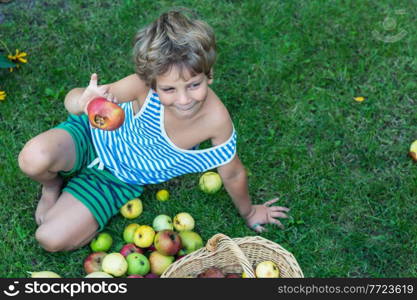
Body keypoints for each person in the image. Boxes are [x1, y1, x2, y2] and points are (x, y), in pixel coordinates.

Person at [18, 8, 290, 252]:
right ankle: (52, 185)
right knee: (32, 158)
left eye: (194, 85)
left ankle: (82, 191)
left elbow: (232, 173)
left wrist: (250, 212)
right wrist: (84, 100)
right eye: (169, 89)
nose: (184, 100)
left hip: (120, 178)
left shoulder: (215, 120)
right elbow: (72, 98)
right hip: (92, 136)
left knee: (50, 238)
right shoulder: (141, 87)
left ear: (209, 75)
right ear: (152, 83)